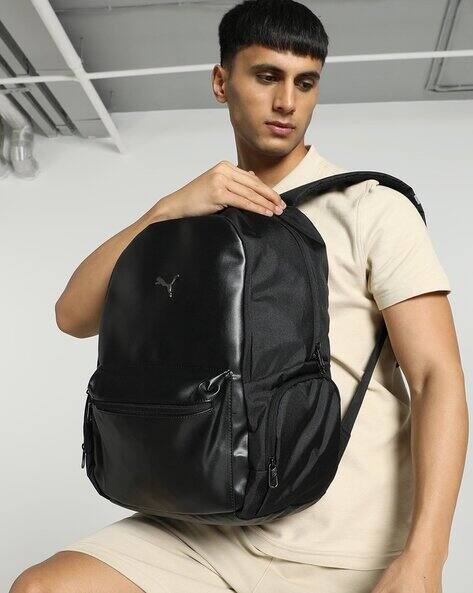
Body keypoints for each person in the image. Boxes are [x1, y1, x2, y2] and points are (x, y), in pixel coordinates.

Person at [10, 1, 468, 592]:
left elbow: (436, 377)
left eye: (306, 83)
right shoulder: (195, 218)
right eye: (267, 76)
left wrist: (426, 555)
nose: (287, 103)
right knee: (42, 588)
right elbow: (72, 315)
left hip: (340, 540)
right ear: (221, 82)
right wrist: (167, 209)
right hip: (203, 522)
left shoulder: (371, 207)